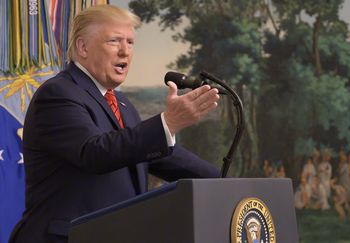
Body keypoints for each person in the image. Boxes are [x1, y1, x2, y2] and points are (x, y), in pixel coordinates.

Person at [9, 5, 220, 243]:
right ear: (83, 47)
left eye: (130, 43)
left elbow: (154, 155)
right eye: (114, 41)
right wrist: (168, 122)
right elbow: (95, 152)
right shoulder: (58, 94)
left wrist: (225, 182)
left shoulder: (121, 102)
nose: (125, 52)